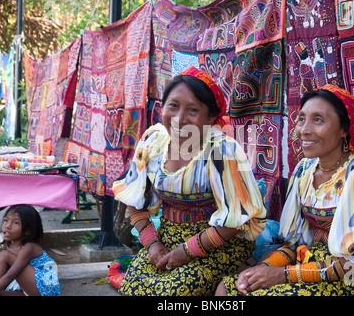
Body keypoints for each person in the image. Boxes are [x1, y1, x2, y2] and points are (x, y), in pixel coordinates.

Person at [216, 84, 354, 296]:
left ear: (345, 130)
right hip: (310, 261)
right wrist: (264, 269)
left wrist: (282, 275)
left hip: (353, 276)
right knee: (228, 288)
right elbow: (293, 244)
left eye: (318, 119)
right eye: (301, 119)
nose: (304, 130)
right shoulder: (304, 169)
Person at [112, 66, 267, 296]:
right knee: (133, 286)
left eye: (192, 110)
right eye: (173, 106)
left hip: (218, 243)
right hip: (167, 239)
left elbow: (234, 223)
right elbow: (133, 198)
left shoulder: (222, 151)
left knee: (173, 293)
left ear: (211, 117)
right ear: (161, 107)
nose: (179, 118)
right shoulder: (152, 141)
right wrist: (152, 244)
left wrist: (185, 252)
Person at [0, 204, 59, 296]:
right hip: (26, 290)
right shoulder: (7, 244)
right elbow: (3, 273)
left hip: (44, 288)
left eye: (16, 223)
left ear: (28, 230)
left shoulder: (29, 247)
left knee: (4, 255)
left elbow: (9, 276)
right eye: (6, 220)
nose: (7, 226)